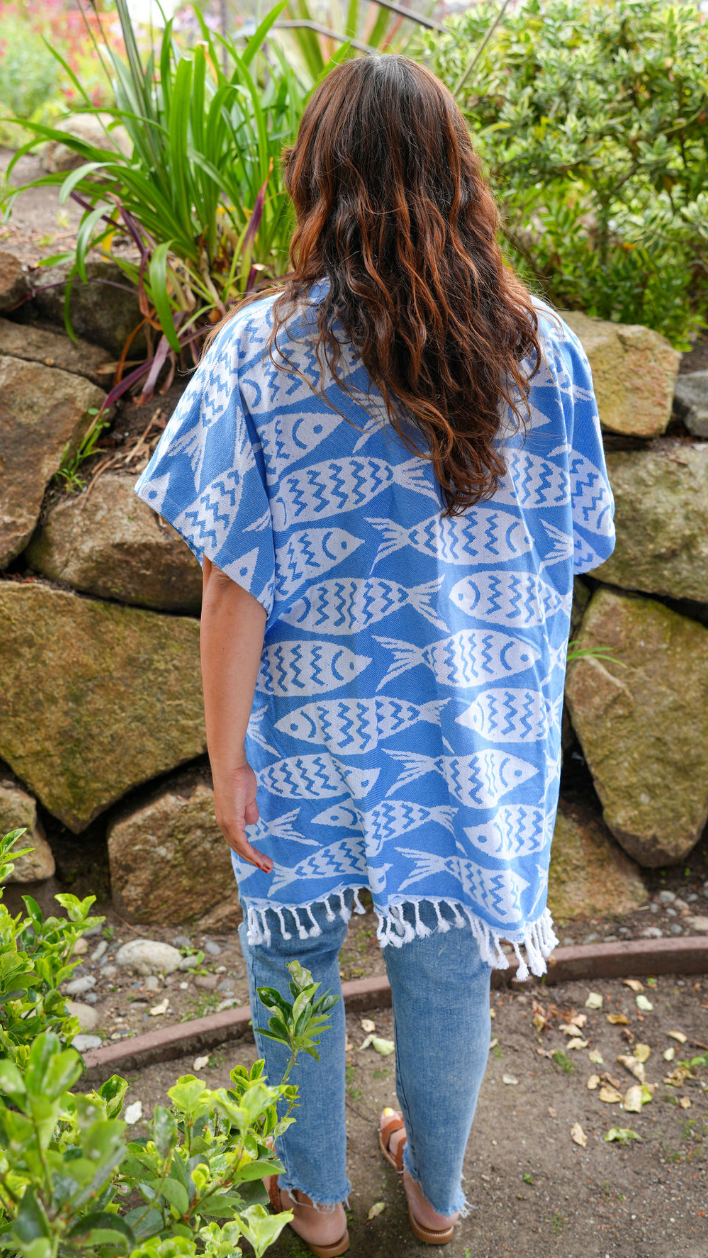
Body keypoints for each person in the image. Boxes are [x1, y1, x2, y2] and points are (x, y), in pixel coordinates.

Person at [135, 54, 615, 1254]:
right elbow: (563, 550)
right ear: (461, 176)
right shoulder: (542, 350)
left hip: (303, 723)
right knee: (448, 954)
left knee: (293, 947)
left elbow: (229, 572)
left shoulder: (260, 351)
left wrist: (225, 754)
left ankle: (317, 1199)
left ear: (318, 175)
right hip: (475, 718)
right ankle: (439, 1196)